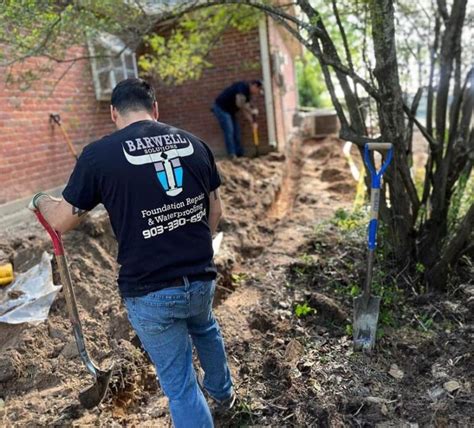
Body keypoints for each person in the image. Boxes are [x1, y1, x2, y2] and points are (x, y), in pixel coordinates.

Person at [29, 78, 234, 427]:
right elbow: (216, 212)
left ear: (113, 113)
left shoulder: (100, 156)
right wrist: (192, 247)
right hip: (201, 278)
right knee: (205, 326)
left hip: (151, 291)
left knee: (182, 388)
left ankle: (209, 401)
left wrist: (39, 201)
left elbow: (62, 221)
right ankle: (223, 392)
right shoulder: (195, 144)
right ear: (155, 109)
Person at [212, 80, 263, 159]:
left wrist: (252, 122)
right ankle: (232, 154)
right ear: (254, 86)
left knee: (237, 131)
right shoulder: (242, 87)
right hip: (221, 108)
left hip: (230, 111)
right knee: (229, 131)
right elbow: (239, 104)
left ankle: (239, 154)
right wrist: (251, 110)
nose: (257, 92)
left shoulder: (248, 95)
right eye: (258, 90)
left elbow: (244, 110)